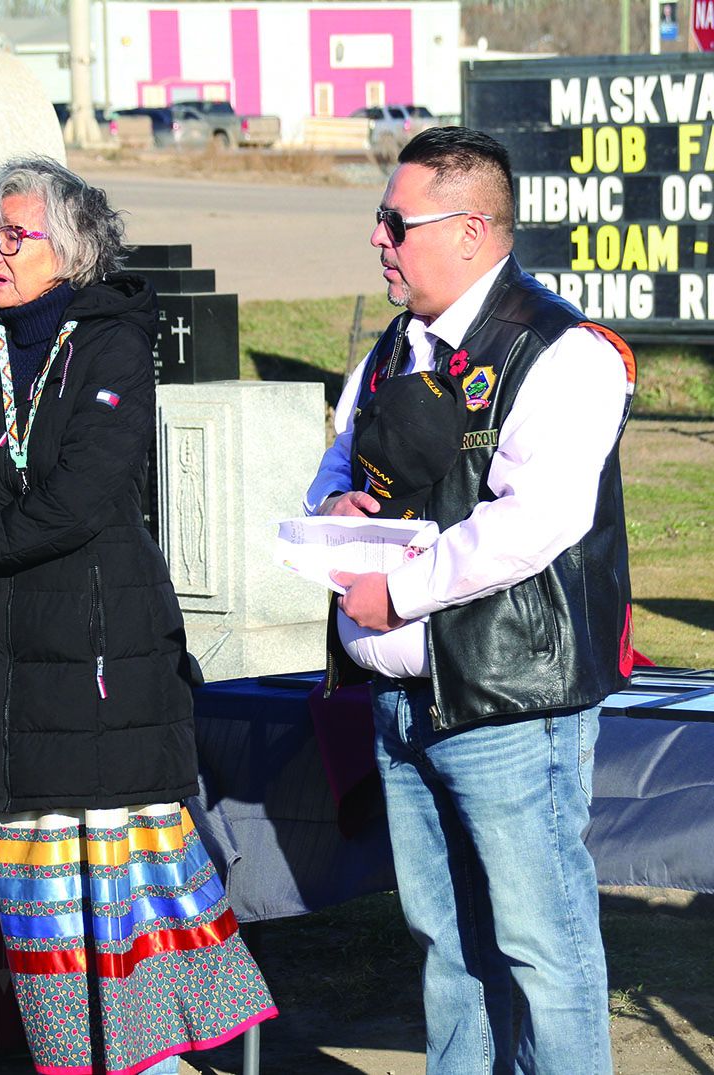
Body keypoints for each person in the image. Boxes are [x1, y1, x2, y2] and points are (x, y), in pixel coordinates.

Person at [0, 154, 275, 1075]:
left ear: (67, 251)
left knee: (125, 882)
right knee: (38, 898)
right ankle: (72, 1062)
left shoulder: (110, 339)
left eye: (14, 235)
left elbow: (84, 499)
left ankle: (154, 1061)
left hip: (106, 659)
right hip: (10, 664)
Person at [304, 127, 636, 1074]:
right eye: (381, 220)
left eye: (395, 223)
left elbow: (540, 520)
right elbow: (338, 455)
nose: (379, 240)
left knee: (543, 947)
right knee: (449, 951)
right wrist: (332, 503)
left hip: (507, 703)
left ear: (473, 230)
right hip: (404, 700)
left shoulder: (562, 353)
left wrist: (399, 591)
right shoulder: (393, 345)